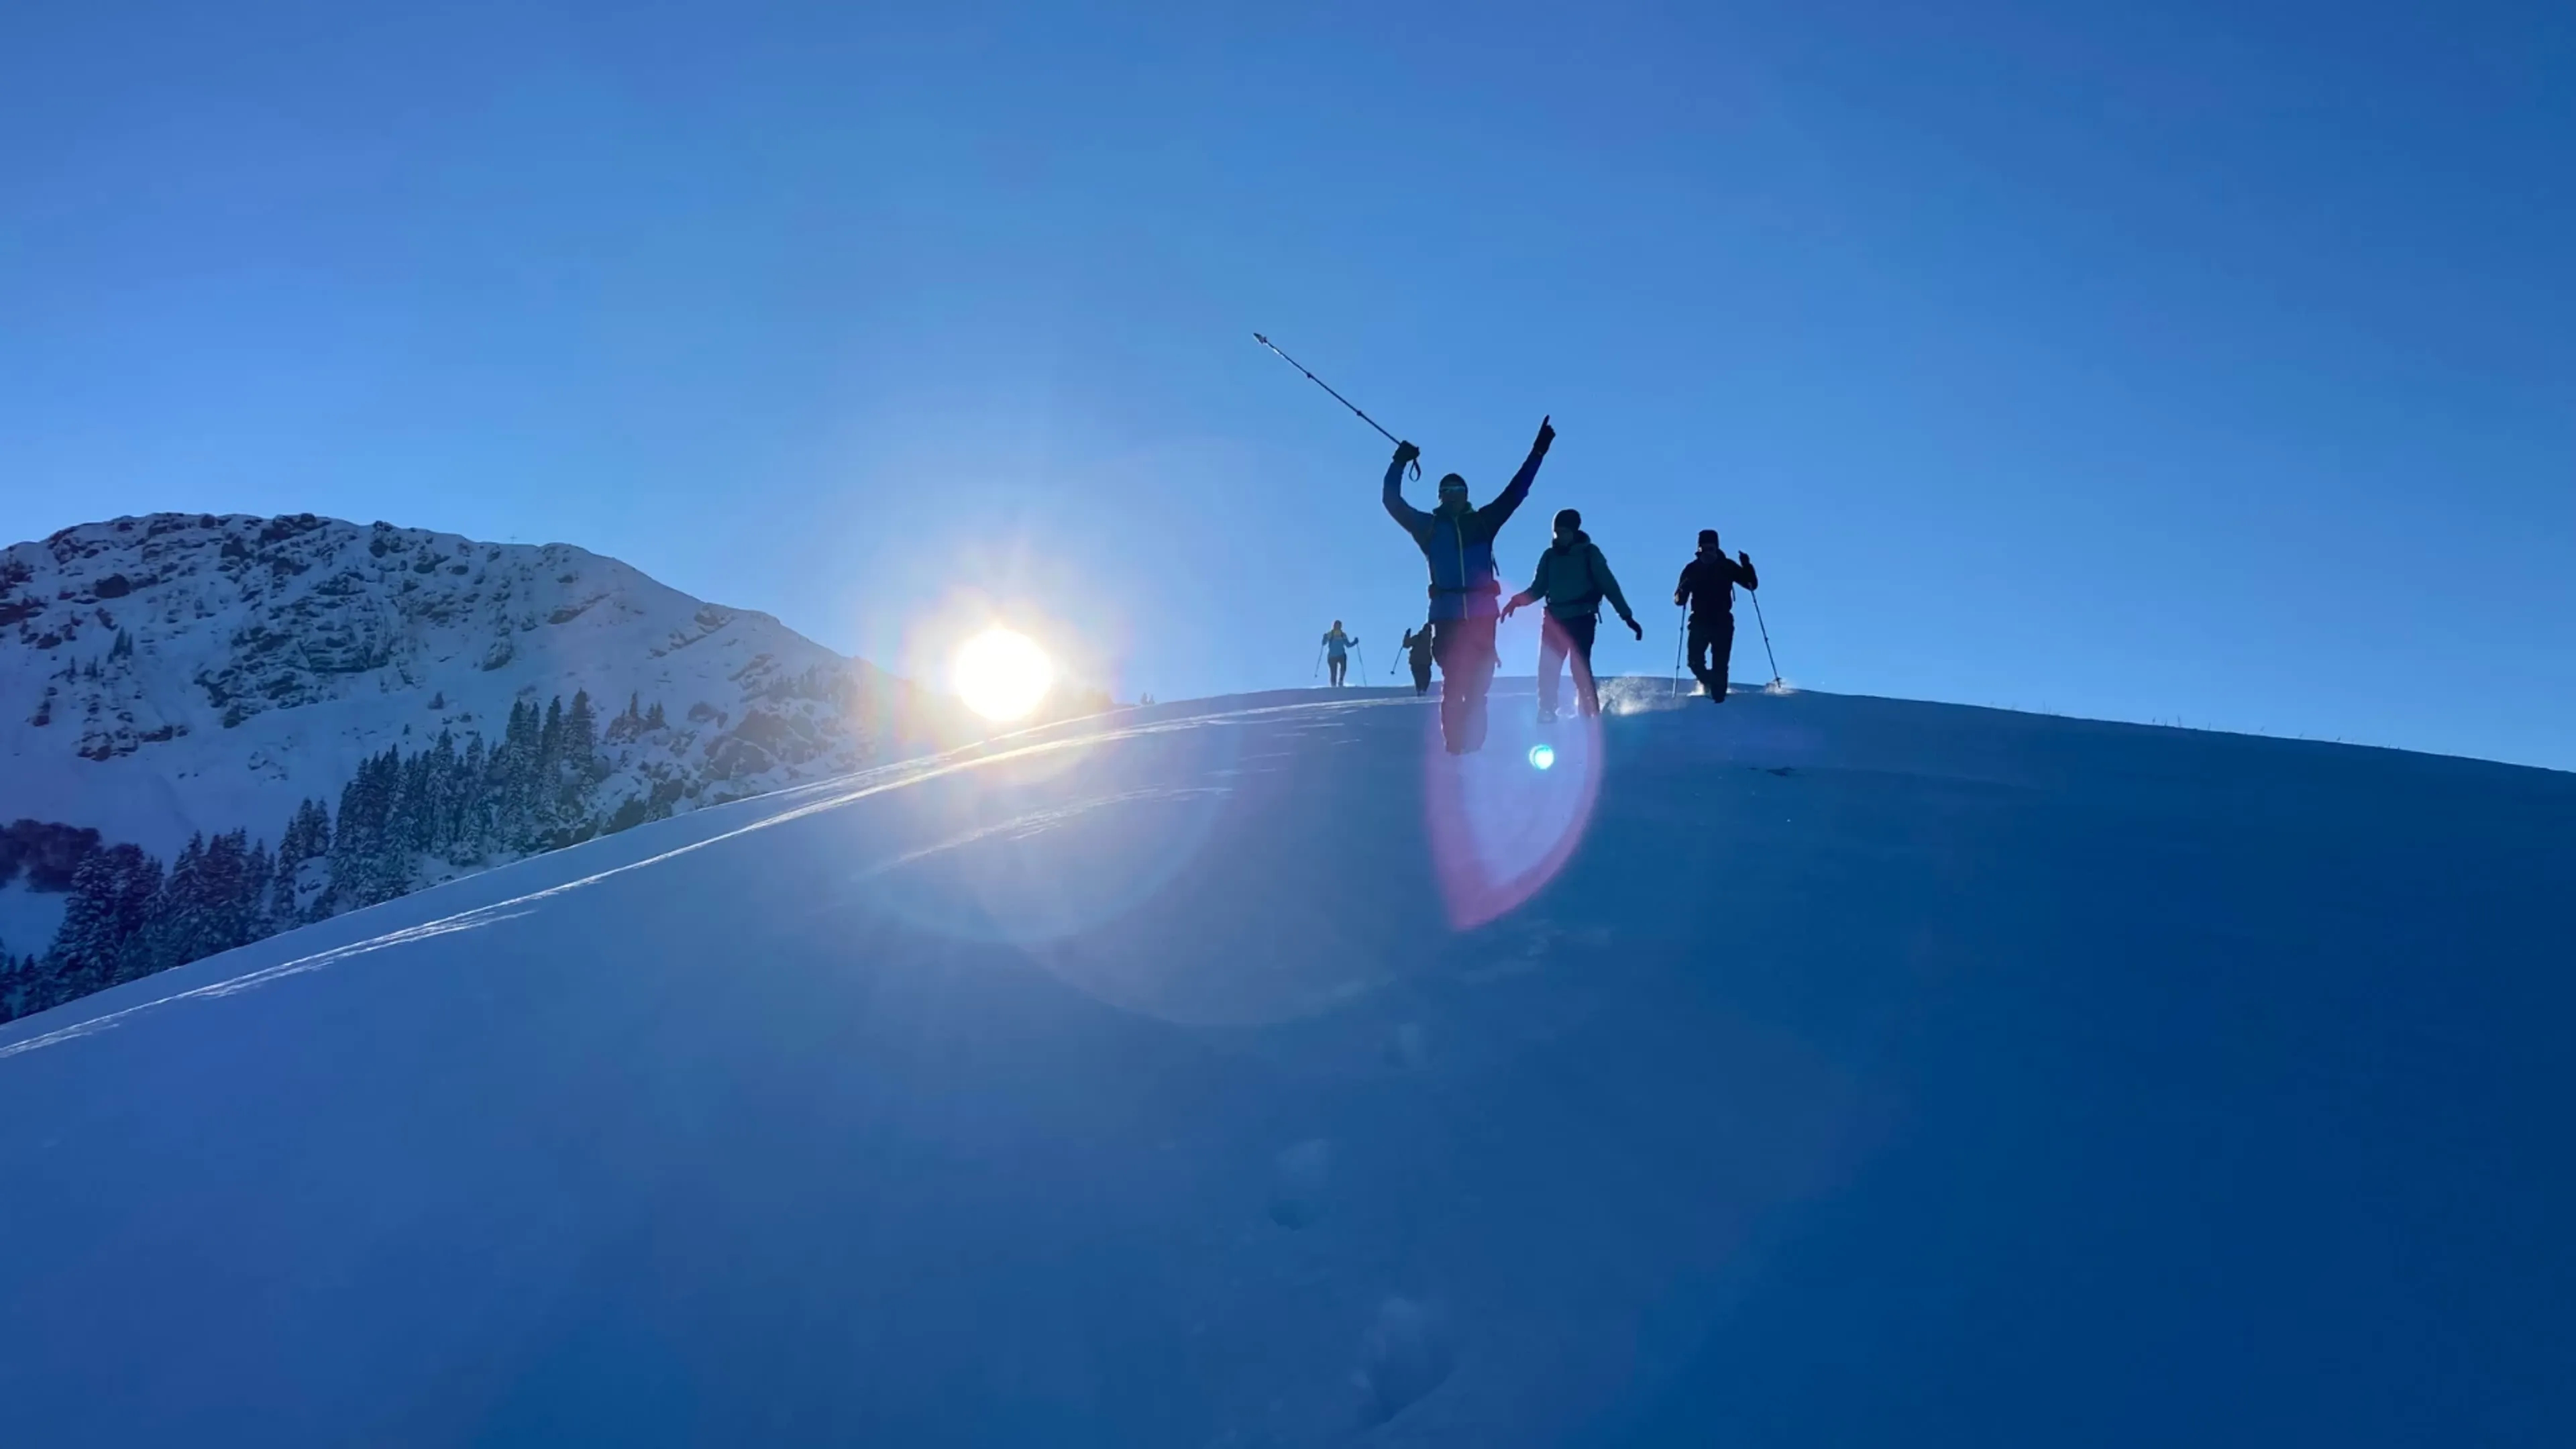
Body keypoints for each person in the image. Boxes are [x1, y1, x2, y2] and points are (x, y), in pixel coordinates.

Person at [1384, 416, 1554, 753]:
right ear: (1440, 496)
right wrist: (1398, 462)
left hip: (1480, 616)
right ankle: (1456, 747)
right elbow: (1392, 502)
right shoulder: (1428, 527)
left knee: (1477, 687)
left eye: (1456, 490)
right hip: (1447, 617)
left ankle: (1472, 746)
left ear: (1466, 494)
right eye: (1445, 491)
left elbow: (1516, 492)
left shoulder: (1483, 522)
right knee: (1453, 684)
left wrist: (1538, 452)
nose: (1451, 496)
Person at [1503, 507, 1642, 720]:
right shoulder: (1549, 557)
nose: (1560, 536)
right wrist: (1516, 602)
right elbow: (1538, 589)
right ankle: (1547, 710)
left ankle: (1590, 712)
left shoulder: (1589, 553)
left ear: (1575, 531)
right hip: (1554, 619)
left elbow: (1609, 585)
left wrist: (1627, 617)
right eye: (1557, 532)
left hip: (1582, 617)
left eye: (1564, 532)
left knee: (1579, 667)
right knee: (1548, 668)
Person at [1673, 528, 1759, 704]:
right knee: (1694, 662)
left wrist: (1747, 566)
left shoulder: (1727, 566)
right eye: (1703, 549)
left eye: (1711, 549)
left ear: (1717, 548)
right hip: (1698, 621)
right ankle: (1710, 684)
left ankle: (1719, 701)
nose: (1707, 553)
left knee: (1720, 664)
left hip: (1723, 621)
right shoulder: (1692, 569)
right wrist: (1683, 590)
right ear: (1699, 549)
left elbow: (1751, 585)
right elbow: (1679, 600)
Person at [1400, 623, 1436, 696]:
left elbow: (1406, 644)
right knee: (1426, 677)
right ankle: (1422, 690)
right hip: (1424, 662)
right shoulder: (1429, 639)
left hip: (1416, 662)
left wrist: (1407, 635)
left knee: (1419, 677)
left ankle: (1420, 690)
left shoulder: (1419, 637)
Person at [1321, 621, 1358, 688]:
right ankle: (1334, 685)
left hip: (1337, 655)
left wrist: (1355, 642)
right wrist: (1324, 638)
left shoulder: (1342, 635)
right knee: (1334, 672)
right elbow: (1324, 643)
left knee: (1342, 668)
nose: (1337, 627)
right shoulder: (1331, 634)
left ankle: (1339, 681)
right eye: (1337, 625)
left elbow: (1348, 645)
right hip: (1333, 656)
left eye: (1339, 625)